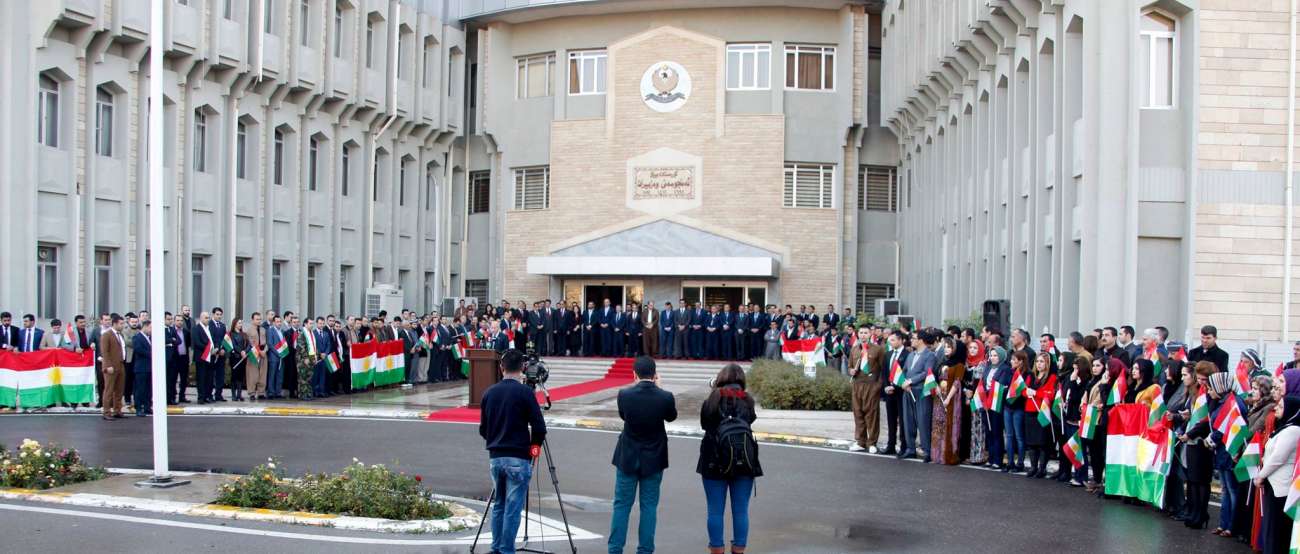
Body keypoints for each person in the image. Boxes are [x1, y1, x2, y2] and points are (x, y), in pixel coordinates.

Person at [479, 350, 547, 554]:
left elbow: (483, 429)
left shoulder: (489, 392)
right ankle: (507, 549)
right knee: (513, 507)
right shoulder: (525, 392)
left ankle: (496, 547)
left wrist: (495, 441)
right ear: (523, 368)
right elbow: (539, 428)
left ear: (501, 368)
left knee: (499, 504)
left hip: (496, 456)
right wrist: (534, 450)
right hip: (518, 456)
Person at [608, 357, 677, 554]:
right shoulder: (665, 396)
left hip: (628, 456)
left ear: (634, 374)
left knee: (621, 505)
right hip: (654, 458)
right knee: (649, 507)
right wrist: (660, 388)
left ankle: (615, 550)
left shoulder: (624, 394)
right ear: (655, 375)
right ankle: (645, 550)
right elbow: (671, 416)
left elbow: (624, 415)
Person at [697, 364, 762, 554]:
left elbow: (705, 424)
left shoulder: (712, 400)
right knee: (741, 510)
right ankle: (738, 549)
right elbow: (750, 420)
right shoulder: (747, 400)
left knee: (715, 510)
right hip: (744, 460)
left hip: (713, 460)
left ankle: (716, 548)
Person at [1184, 370, 1240, 534]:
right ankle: (1223, 524)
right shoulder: (1218, 401)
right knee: (1223, 489)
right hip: (1218, 450)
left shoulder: (1231, 403)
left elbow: (1222, 426)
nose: (1207, 389)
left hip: (1225, 450)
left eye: (1210, 386)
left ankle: (1231, 526)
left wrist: (1209, 438)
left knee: (1230, 490)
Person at [1258, 398, 1299, 554]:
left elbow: (1278, 458)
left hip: (1282, 488)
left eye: (1281, 406)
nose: (1276, 408)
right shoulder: (1285, 427)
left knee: (1276, 532)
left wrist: (1261, 475)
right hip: (1274, 484)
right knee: (1270, 529)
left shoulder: (1293, 430)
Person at [899, 330, 937, 462]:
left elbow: (927, 372)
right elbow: (904, 371)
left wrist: (911, 381)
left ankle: (927, 450)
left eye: (914, 338)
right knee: (908, 420)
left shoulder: (930, 355)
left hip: (921, 391)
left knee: (923, 421)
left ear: (921, 340)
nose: (911, 340)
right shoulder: (910, 355)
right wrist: (903, 382)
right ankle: (910, 449)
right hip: (908, 391)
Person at [848, 326, 885, 452]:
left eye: (866, 333)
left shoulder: (878, 349)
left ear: (870, 334)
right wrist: (851, 370)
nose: (863, 335)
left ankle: (872, 443)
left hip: (871, 385)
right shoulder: (854, 349)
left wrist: (878, 386)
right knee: (858, 413)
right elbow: (850, 366)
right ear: (858, 334)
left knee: (871, 414)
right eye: (861, 333)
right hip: (857, 384)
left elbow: (883, 370)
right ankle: (860, 441)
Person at [930, 336, 965, 465]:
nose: (946, 349)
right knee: (938, 425)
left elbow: (957, 383)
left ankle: (948, 455)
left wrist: (948, 398)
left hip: (951, 399)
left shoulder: (959, 365)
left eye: (949, 347)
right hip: (939, 397)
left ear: (954, 349)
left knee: (950, 426)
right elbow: (936, 377)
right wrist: (937, 387)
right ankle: (937, 455)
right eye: (945, 347)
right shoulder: (942, 362)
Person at [1022, 351, 1057, 478]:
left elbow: (1050, 394)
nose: (1039, 364)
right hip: (1030, 411)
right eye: (1037, 361)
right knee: (1032, 442)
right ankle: (1033, 467)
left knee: (1043, 442)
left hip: (1042, 412)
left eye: (1042, 361)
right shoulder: (1031, 376)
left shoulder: (1052, 377)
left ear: (1047, 363)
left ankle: (1042, 468)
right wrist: (1028, 393)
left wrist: (1036, 393)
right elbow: (1023, 391)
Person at [963, 339, 988, 465]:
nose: (972, 350)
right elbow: (962, 381)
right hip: (965, 398)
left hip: (977, 400)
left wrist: (971, 396)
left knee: (977, 427)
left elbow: (979, 384)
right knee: (967, 427)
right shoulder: (966, 363)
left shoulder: (982, 364)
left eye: (975, 348)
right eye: (970, 348)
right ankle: (967, 454)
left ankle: (978, 455)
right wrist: (965, 392)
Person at [98, 315, 127, 420]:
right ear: (115, 324)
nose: (123, 325)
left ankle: (117, 410)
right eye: (121, 323)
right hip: (111, 366)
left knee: (119, 390)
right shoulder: (107, 335)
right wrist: (108, 365)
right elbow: (104, 352)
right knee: (109, 389)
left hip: (120, 364)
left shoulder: (120, 335)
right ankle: (106, 412)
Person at [130, 319, 154, 417]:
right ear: (146, 326)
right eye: (151, 328)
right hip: (141, 368)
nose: (152, 330)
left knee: (149, 389)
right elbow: (138, 350)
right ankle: (139, 408)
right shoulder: (137, 337)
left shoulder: (150, 338)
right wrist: (152, 354)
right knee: (140, 389)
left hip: (149, 368)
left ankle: (148, 407)